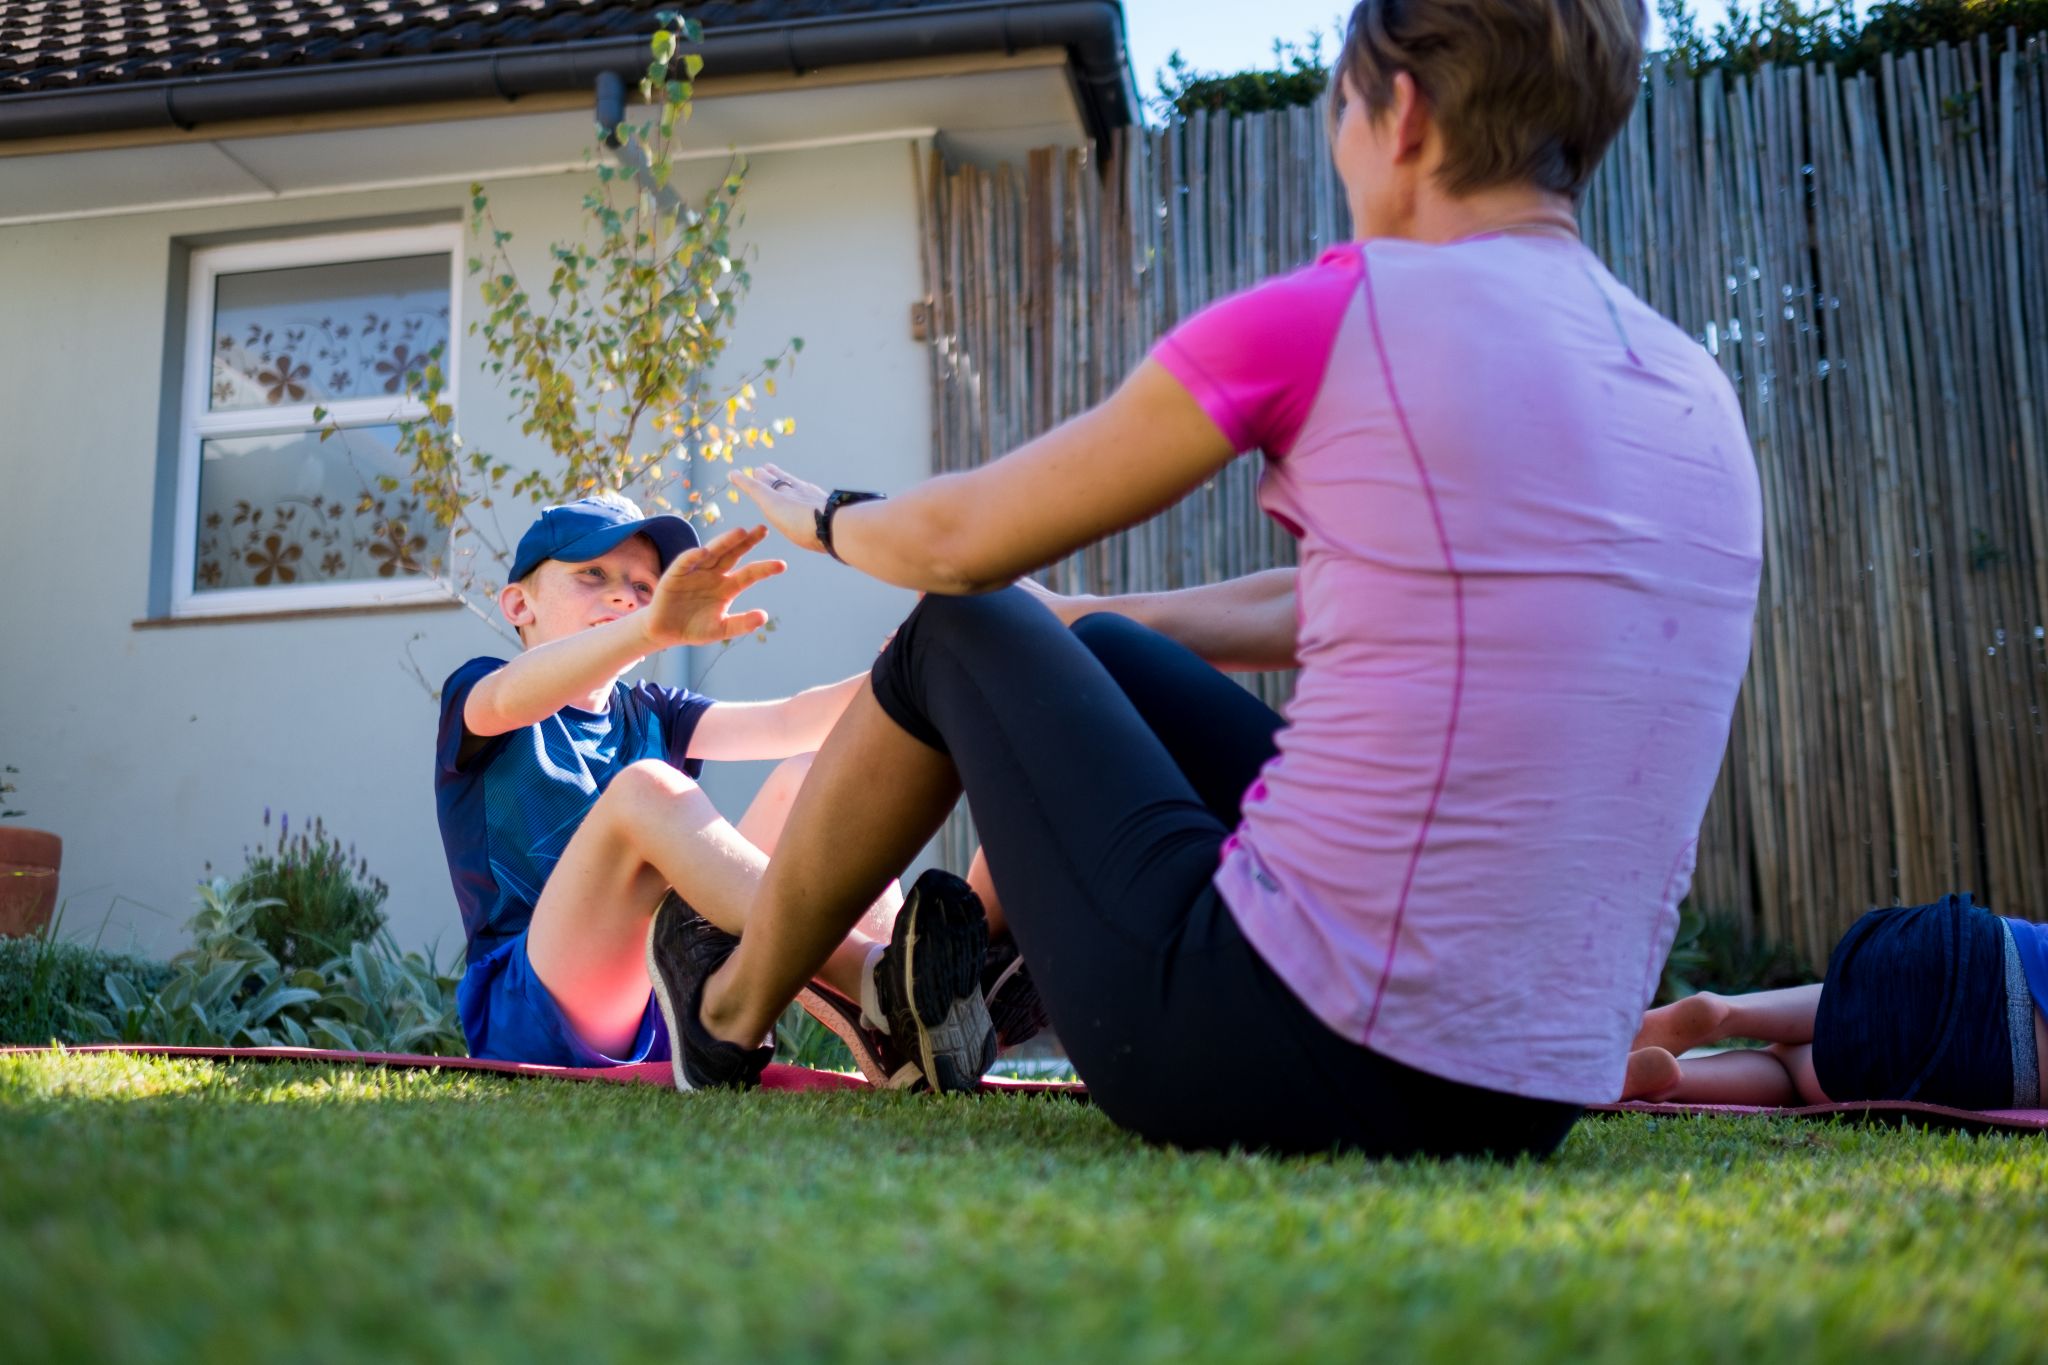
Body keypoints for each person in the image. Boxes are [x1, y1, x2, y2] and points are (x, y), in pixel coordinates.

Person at [652, 0, 1763, 1158]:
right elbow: (1390, 602)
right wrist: (1081, 626)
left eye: (1338, 106)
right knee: (1106, 652)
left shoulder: (1341, 315)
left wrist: (829, 518)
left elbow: (959, 544)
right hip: (1527, 1092)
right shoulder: (1691, 388)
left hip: (1267, 1047)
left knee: (959, 625)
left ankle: (728, 1010)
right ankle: (922, 989)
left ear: (1404, 117)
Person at [433, 493, 1021, 1091]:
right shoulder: (481, 692)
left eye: (644, 586)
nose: (624, 595)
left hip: (666, 1003)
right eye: (593, 574)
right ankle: (880, 978)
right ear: (518, 603)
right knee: (646, 789)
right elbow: (510, 698)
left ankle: (904, 1036)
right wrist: (646, 629)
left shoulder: (655, 714)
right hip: (535, 1008)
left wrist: (917, 659)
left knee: (808, 779)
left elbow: (792, 719)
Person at [1622, 893, 2048, 1108]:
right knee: (1797, 1075)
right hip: (1979, 1052)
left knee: (1838, 1005)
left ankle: (1727, 1011)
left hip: (1970, 941)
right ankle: (1674, 1081)